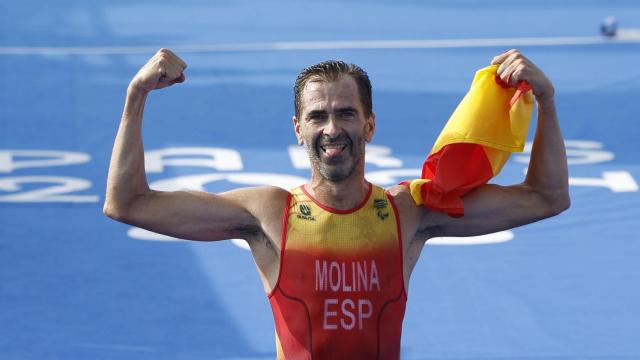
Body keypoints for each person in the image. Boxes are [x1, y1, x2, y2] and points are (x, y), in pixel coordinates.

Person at [104, 48, 569, 359]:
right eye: (317, 116)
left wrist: (545, 100)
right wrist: (135, 96)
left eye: (346, 113)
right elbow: (128, 204)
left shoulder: (411, 211)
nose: (332, 129)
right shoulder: (267, 214)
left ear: (369, 125)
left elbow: (546, 197)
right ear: (298, 128)